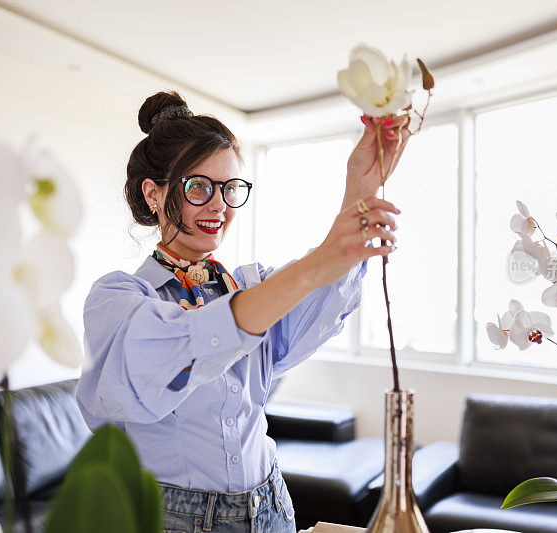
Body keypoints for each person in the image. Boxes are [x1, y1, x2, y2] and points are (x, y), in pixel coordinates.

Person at [76, 90, 404, 532]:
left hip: (272, 508)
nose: (219, 206)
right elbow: (182, 345)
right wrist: (313, 266)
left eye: (230, 188)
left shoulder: (248, 288)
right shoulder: (118, 302)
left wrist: (360, 189)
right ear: (153, 193)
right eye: (199, 187)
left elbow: (322, 296)